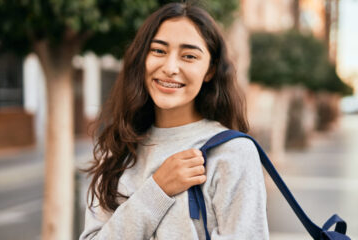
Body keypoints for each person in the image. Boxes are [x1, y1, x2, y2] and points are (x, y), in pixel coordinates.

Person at [80, 2, 269, 239]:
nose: (170, 68)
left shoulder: (232, 152)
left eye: (189, 56)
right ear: (142, 60)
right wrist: (157, 190)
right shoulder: (119, 148)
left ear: (209, 70)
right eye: (158, 51)